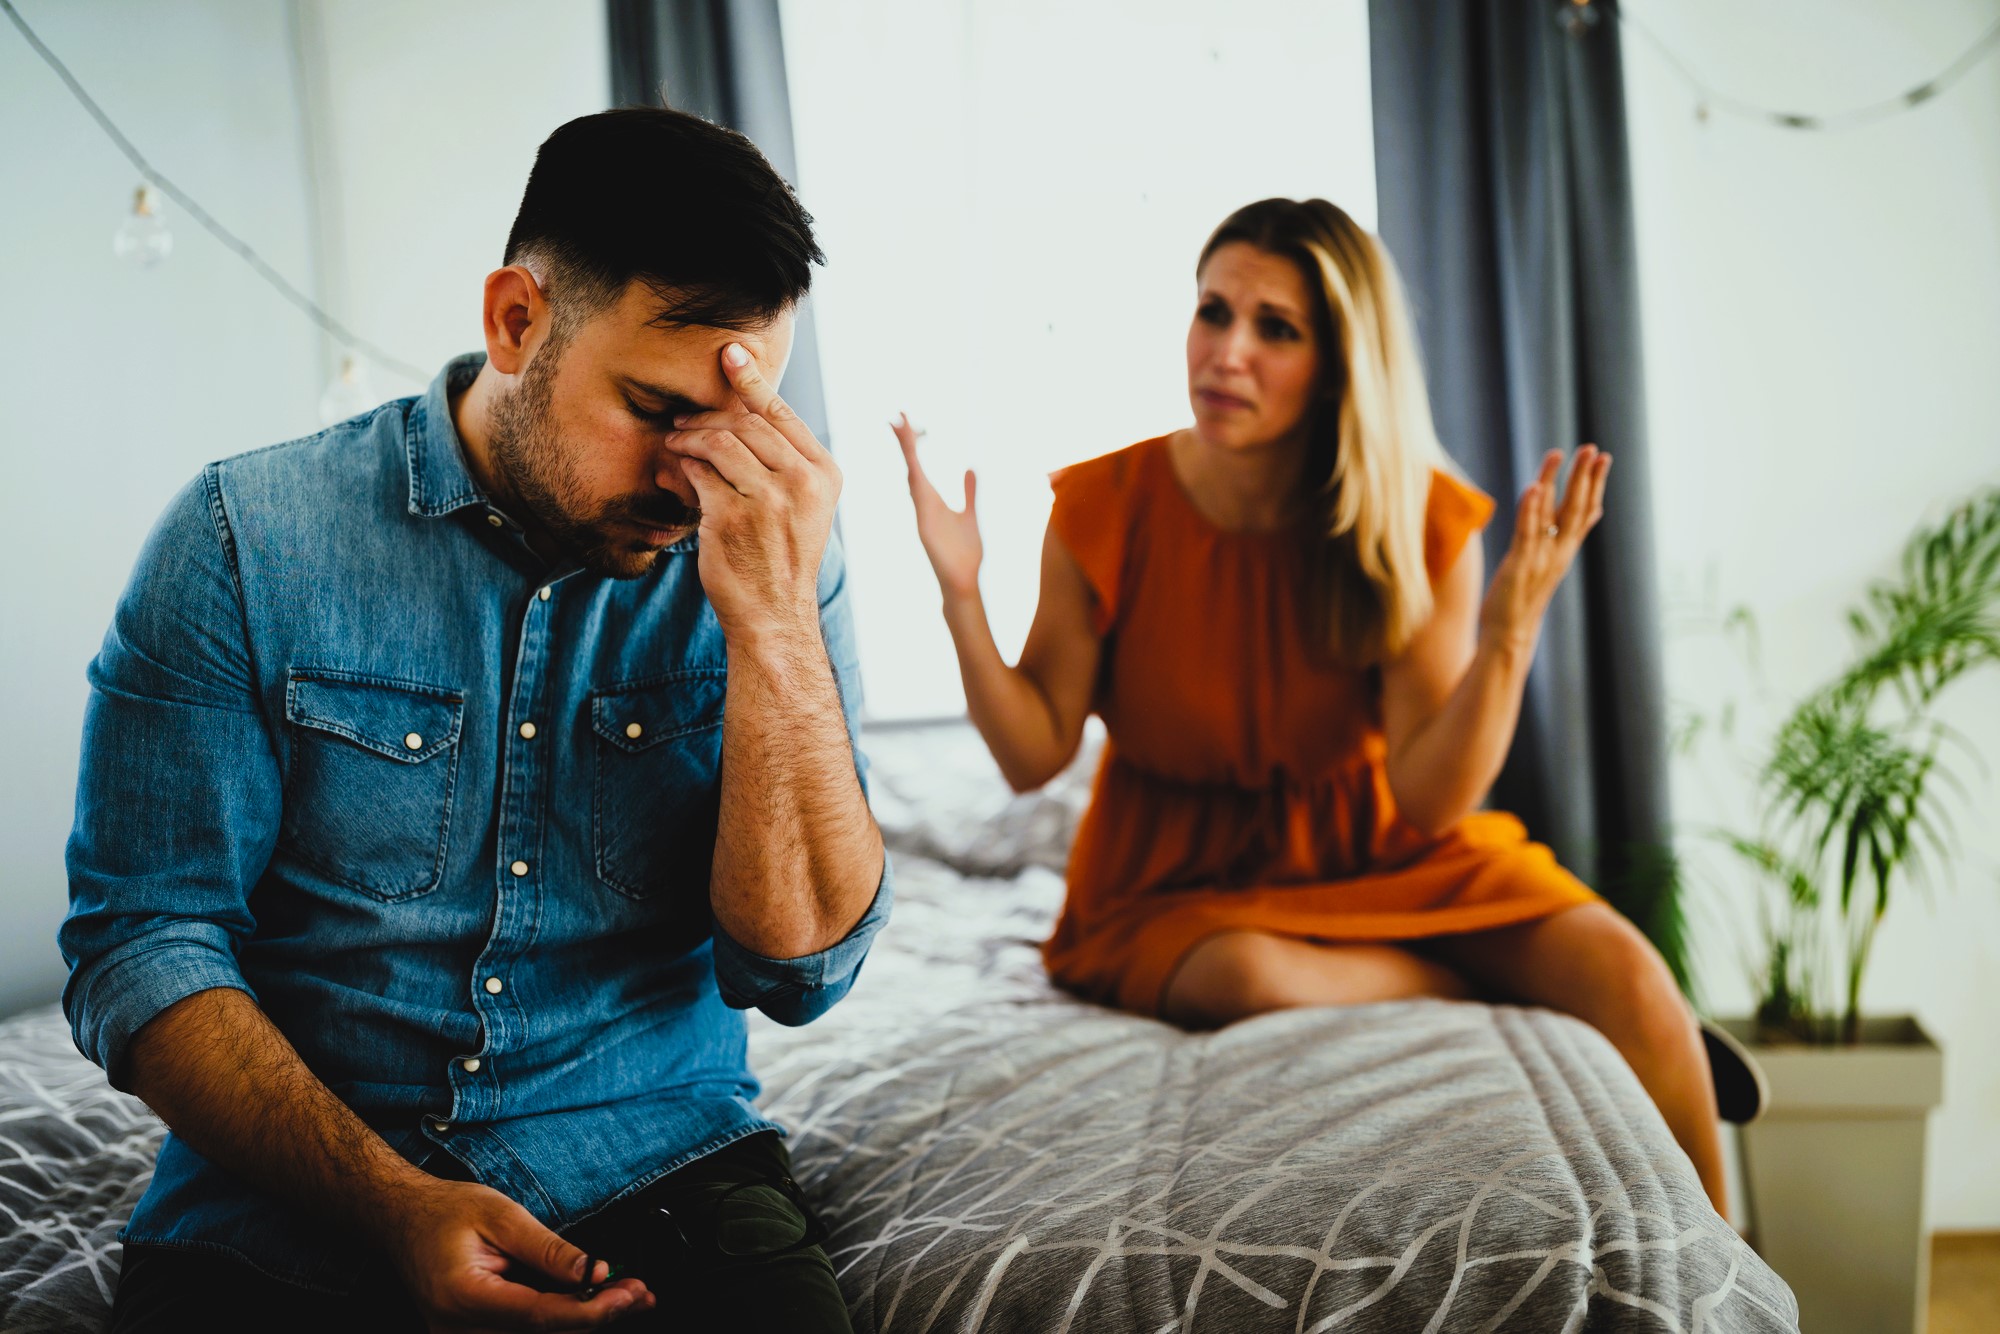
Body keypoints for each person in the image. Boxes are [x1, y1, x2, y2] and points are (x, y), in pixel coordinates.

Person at [60, 107, 885, 1333]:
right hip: (291, 1202)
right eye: (657, 407)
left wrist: (769, 623)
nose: (692, 473)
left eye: (734, 423)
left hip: (661, 1168)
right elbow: (142, 941)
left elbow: (802, 969)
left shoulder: (768, 553)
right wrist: (389, 1203)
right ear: (515, 320)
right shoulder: (242, 540)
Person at [893, 196, 1736, 1212]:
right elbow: (1032, 754)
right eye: (1212, 311)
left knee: (1631, 976)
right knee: (1249, 977)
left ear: (1339, 360)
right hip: (1171, 870)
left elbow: (1428, 802)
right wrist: (960, 596)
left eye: (1273, 328)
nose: (1225, 351)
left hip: (1383, 846)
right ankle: (1480, 985)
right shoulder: (1102, 508)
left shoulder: (1415, 519)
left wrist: (1508, 632)